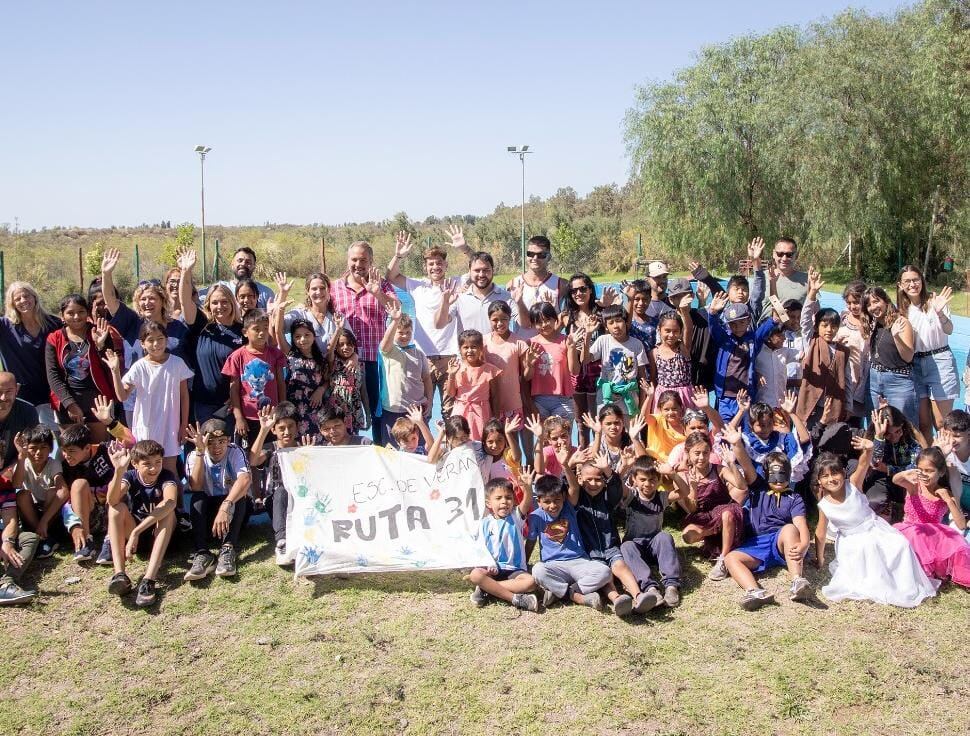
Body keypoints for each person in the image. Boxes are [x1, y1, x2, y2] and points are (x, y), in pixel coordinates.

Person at [813, 448, 937, 607]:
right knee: (869, 549)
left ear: (843, 473)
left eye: (835, 473)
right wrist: (820, 558)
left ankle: (904, 584)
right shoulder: (824, 505)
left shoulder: (853, 485)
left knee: (901, 545)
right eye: (825, 476)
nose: (831, 479)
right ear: (819, 480)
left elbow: (864, 464)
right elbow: (820, 532)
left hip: (874, 527)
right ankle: (882, 583)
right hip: (852, 540)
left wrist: (869, 448)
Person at [388, 226, 472, 416]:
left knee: (451, 412)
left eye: (439, 263)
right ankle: (420, 446)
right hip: (422, 357)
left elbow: (478, 266)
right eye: (431, 264)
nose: (435, 267)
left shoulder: (456, 283)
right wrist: (398, 256)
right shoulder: (418, 286)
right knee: (420, 409)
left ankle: (451, 445)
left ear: (446, 265)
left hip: (450, 357)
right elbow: (390, 276)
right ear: (425, 267)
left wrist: (464, 247)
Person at [724, 452, 812, 610]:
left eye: (783, 472)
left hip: (780, 543)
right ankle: (755, 592)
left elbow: (801, 524)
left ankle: (797, 581)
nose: (778, 478)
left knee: (790, 529)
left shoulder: (795, 498)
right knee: (731, 558)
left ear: (790, 473)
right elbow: (747, 466)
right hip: (756, 545)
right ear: (765, 474)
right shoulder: (758, 488)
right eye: (773, 473)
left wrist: (804, 544)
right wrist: (735, 449)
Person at [105, 321, 193, 477]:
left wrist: (183, 424)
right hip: (145, 428)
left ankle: (175, 501)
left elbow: (184, 396)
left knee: (169, 470)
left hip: (170, 427)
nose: (156, 344)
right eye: (150, 340)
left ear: (167, 340)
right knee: (146, 470)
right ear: (142, 344)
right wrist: (115, 372)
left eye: (160, 339)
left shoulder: (177, 363)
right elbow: (122, 395)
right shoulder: (139, 366)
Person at [331, 241, 397, 440]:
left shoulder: (381, 284)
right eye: (354, 259)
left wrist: (377, 293)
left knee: (378, 411)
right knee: (346, 413)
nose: (358, 264)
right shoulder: (335, 288)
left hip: (375, 361)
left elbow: (397, 309)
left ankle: (380, 450)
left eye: (363, 260)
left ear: (371, 261)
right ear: (347, 260)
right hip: (344, 363)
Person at [565, 447, 641, 617]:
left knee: (620, 566)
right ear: (580, 478)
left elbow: (616, 486)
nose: (593, 484)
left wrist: (608, 470)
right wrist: (569, 465)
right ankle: (617, 599)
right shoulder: (577, 500)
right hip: (589, 551)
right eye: (588, 479)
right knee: (604, 576)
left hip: (611, 546)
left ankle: (639, 596)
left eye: (598, 479)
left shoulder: (608, 498)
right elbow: (566, 486)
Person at [104, 440, 177, 607]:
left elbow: (171, 501)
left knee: (167, 510)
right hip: (138, 537)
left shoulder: (166, 476)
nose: (154, 468)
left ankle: (148, 580)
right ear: (135, 464)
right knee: (116, 508)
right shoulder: (130, 476)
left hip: (160, 535)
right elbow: (111, 500)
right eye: (147, 464)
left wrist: (136, 532)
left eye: (158, 462)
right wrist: (118, 472)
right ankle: (120, 575)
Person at [177, 251, 245, 430]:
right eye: (215, 302)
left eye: (224, 302)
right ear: (208, 304)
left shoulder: (243, 331)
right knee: (206, 450)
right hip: (203, 404)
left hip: (232, 405)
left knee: (229, 450)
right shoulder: (202, 325)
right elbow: (185, 301)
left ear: (232, 303)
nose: (220, 306)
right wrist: (186, 271)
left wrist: (239, 396)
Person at [59, 406, 135, 564]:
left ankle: (110, 541)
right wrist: (74, 525)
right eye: (64, 451)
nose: (67, 456)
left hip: (116, 510)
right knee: (78, 484)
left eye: (71, 451)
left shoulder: (106, 450)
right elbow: (67, 502)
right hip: (91, 515)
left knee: (117, 485)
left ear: (87, 448)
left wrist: (110, 422)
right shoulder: (66, 466)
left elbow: (130, 442)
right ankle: (85, 542)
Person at [527, 474, 612, 610]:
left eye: (557, 500)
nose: (553, 505)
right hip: (553, 565)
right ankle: (576, 597)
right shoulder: (535, 517)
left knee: (605, 572)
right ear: (539, 501)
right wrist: (524, 563)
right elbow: (530, 542)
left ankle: (560, 591)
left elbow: (574, 487)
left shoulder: (569, 508)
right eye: (547, 502)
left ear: (564, 498)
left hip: (579, 561)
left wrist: (566, 465)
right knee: (538, 570)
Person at [676, 427, 752, 578]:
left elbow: (742, 486)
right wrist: (693, 488)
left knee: (727, 514)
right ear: (688, 453)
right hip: (704, 515)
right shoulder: (685, 475)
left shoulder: (719, 470)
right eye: (697, 453)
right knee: (688, 536)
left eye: (705, 453)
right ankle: (716, 531)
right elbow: (692, 509)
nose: (701, 457)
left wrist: (731, 464)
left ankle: (723, 559)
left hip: (725, 509)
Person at [183, 419, 252, 580]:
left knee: (241, 495)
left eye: (221, 441)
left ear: (228, 441)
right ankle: (202, 552)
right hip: (209, 514)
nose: (216, 447)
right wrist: (200, 452)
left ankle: (228, 548)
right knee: (197, 497)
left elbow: (245, 479)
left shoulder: (235, 451)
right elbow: (195, 486)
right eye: (211, 443)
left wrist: (226, 505)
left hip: (231, 511)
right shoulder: (195, 455)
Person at [897, 265, 959, 439]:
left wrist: (940, 313)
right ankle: (929, 463)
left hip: (939, 360)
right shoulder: (901, 311)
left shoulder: (935, 302)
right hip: (914, 364)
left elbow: (949, 330)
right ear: (900, 285)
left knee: (942, 423)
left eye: (915, 279)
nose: (912, 284)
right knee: (923, 424)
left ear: (922, 280)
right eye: (907, 281)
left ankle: (949, 463)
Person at [45, 295, 120, 440]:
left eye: (81, 312)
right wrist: (69, 404)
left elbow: (110, 365)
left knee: (100, 448)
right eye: (70, 313)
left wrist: (100, 346)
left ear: (87, 313)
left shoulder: (99, 332)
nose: (76, 317)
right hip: (67, 402)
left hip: (98, 401)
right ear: (62, 316)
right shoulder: (54, 338)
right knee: (73, 449)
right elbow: (52, 375)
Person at [892, 447, 970, 587]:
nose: (924, 474)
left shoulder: (943, 492)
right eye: (921, 470)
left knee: (956, 543)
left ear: (940, 472)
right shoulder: (914, 486)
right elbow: (895, 480)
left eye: (929, 471)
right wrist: (906, 473)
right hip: (911, 532)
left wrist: (948, 500)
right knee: (916, 535)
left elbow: (961, 525)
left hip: (934, 538)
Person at [620, 456, 687, 610]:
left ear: (659, 480)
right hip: (635, 547)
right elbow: (617, 486)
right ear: (634, 479)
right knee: (626, 546)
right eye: (642, 479)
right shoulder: (632, 496)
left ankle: (671, 586)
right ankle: (651, 589)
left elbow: (685, 491)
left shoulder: (661, 498)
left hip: (654, 546)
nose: (647, 484)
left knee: (665, 536)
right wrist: (624, 466)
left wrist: (673, 474)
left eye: (652, 480)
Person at [468, 474, 539, 612]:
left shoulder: (516, 516)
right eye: (498, 498)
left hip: (514, 569)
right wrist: (489, 564)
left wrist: (528, 487)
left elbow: (527, 501)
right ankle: (516, 599)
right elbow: (481, 548)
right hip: (492, 569)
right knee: (475, 574)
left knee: (531, 582)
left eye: (508, 498)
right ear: (488, 503)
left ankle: (487, 588)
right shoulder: (484, 523)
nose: (504, 501)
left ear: (513, 501)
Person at [249, 402, 308, 566]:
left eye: (291, 426)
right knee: (282, 491)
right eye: (281, 428)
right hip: (276, 501)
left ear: (297, 427)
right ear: (274, 430)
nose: (287, 432)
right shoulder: (270, 448)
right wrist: (263, 430)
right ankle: (282, 542)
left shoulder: (304, 446)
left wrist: (309, 454)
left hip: (299, 499)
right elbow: (253, 460)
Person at [794, 269, 849, 435]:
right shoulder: (811, 342)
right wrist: (812, 293)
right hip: (811, 404)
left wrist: (849, 405)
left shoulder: (843, 350)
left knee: (828, 441)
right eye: (824, 325)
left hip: (833, 404)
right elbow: (805, 319)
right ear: (817, 327)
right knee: (807, 437)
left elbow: (847, 380)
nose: (829, 330)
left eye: (833, 326)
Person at [707, 294, 778, 422]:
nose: (738, 327)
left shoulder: (753, 339)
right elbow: (714, 328)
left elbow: (767, 327)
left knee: (745, 432)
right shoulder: (724, 339)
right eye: (733, 324)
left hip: (745, 396)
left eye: (741, 322)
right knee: (725, 430)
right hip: (725, 396)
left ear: (749, 320)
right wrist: (712, 313)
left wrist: (775, 319)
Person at [222, 309, 287, 449]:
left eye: (265, 328)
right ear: (245, 332)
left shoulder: (275, 354)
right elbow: (234, 390)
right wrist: (239, 417)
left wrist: (282, 411)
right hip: (248, 418)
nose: (262, 333)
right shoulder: (237, 356)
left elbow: (280, 383)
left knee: (270, 453)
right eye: (256, 329)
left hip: (272, 416)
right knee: (250, 455)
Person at [0, 282, 61, 427]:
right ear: (12, 303)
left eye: (26, 296)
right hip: (22, 396)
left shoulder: (53, 323)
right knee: (27, 440)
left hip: (51, 393)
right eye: (17, 299)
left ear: (34, 297)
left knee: (56, 441)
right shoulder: (5, 326)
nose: (23, 301)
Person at [12, 424, 74, 558]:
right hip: (32, 514)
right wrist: (21, 457)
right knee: (22, 495)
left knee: (53, 492)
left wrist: (44, 521)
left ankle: (44, 535)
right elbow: (16, 484)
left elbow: (63, 491)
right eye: (33, 448)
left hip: (49, 514)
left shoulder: (53, 464)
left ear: (50, 449)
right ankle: (41, 537)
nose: (38, 453)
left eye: (43, 448)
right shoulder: (24, 464)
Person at [582, 304, 648, 419]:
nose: (616, 326)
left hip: (629, 398)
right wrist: (588, 335)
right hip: (606, 396)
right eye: (611, 323)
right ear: (606, 327)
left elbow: (642, 377)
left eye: (618, 321)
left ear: (626, 322)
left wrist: (642, 403)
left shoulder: (637, 344)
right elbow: (585, 359)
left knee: (630, 433)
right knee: (607, 432)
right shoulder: (603, 340)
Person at [482, 301, 530, 457]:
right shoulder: (483, 342)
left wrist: (531, 364)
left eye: (504, 319)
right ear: (489, 320)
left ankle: (515, 478)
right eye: (495, 320)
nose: (499, 323)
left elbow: (526, 376)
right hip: (489, 402)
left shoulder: (519, 343)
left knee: (512, 447)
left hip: (512, 402)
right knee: (493, 445)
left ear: (510, 319)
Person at [522, 302, 582, 423]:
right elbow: (526, 377)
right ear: (533, 324)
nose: (544, 325)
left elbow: (575, 370)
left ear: (555, 319)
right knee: (544, 440)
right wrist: (530, 364)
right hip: (539, 400)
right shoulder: (530, 344)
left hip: (563, 400)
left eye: (547, 320)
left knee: (563, 440)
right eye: (539, 322)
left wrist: (571, 347)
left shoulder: (565, 340)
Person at [379, 305, 431, 442]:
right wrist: (395, 321)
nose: (405, 336)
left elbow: (426, 378)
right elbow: (384, 345)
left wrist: (430, 400)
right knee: (392, 448)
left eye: (408, 332)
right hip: (394, 409)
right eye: (400, 332)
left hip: (415, 409)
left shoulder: (419, 354)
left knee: (419, 445)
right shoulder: (389, 352)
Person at [864, 286, 916, 419]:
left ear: (886, 301)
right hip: (874, 379)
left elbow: (908, 357)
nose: (873, 307)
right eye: (869, 304)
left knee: (905, 427)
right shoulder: (875, 324)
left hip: (898, 381)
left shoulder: (901, 322)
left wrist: (896, 336)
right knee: (875, 424)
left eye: (876, 302)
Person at [507, 235, 567, 337]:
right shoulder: (513, 285)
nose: (535, 258)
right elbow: (524, 324)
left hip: (551, 348)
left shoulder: (561, 284)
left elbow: (570, 314)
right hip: (523, 347)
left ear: (549, 257)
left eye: (541, 255)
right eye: (530, 254)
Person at [446, 330, 499, 441]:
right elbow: (451, 394)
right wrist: (451, 375)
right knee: (459, 441)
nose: (470, 351)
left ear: (481, 348)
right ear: (460, 349)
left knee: (480, 442)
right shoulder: (456, 368)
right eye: (466, 347)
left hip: (481, 412)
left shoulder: (489, 370)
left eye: (474, 347)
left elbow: (495, 397)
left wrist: (495, 418)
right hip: (460, 411)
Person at [284, 318, 330, 442]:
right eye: (297, 336)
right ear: (292, 339)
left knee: (317, 440)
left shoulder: (321, 359)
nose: (302, 339)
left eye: (307, 335)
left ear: (314, 336)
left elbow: (327, 380)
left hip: (316, 406)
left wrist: (321, 390)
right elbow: (278, 334)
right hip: (295, 408)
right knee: (299, 442)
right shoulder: (291, 355)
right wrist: (280, 309)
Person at [447, 251, 512, 336]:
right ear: (469, 271)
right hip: (470, 349)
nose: (481, 274)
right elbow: (439, 324)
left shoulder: (506, 296)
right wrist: (445, 304)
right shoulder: (460, 297)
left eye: (486, 270)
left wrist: (520, 302)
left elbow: (524, 324)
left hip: (498, 348)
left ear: (493, 270)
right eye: (477, 270)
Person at [748, 236, 808, 322]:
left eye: (789, 255)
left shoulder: (807, 280)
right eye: (780, 254)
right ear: (774, 254)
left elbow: (813, 311)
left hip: (794, 332)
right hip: (764, 332)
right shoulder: (762, 278)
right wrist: (755, 260)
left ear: (796, 255)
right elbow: (751, 306)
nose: (784, 258)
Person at [281, 272, 345, 354]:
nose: (318, 292)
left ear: (328, 290)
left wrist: (354, 356)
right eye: (314, 289)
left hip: (332, 365)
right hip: (304, 365)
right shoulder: (299, 314)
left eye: (322, 288)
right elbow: (276, 327)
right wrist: (283, 295)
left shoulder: (338, 317)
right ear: (307, 291)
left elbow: (350, 341)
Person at [648, 303, 695, 411]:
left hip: (684, 396)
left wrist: (684, 312)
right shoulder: (654, 353)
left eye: (675, 331)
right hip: (663, 396)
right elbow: (653, 378)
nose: (671, 335)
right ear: (659, 330)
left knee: (684, 425)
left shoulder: (683, 349)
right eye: (667, 331)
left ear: (680, 332)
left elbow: (689, 329)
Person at [0, 477, 39, 605]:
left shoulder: (4, 485)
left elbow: (10, 520)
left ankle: (7, 583)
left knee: (29, 538)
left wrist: (7, 542)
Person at [837, 280, 870, 424]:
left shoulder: (872, 320)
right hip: (846, 376)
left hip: (865, 376)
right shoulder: (842, 319)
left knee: (859, 419)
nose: (852, 307)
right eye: (849, 303)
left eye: (856, 302)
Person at [202, 246, 275, 308]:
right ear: (232, 264)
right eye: (240, 260)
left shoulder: (265, 292)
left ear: (254, 267)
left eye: (248, 262)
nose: (243, 264)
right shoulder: (219, 288)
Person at [328, 328, 368, 433]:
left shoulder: (360, 365)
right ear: (336, 346)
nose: (346, 347)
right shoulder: (333, 361)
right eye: (341, 344)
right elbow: (330, 351)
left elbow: (363, 391)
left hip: (354, 409)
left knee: (353, 441)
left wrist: (368, 414)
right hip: (336, 410)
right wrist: (337, 329)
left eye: (349, 344)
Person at [0, 371, 41, 473]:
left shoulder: (28, 411)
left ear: (17, 390)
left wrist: (12, 467)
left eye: (9, 391)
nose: (3, 397)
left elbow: (33, 447)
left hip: (13, 468)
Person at [941, 410, 970, 539]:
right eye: (948, 435)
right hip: (958, 502)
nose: (952, 441)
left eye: (957, 436)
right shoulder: (943, 449)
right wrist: (942, 456)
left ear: (968, 434)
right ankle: (959, 514)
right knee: (950, 469)